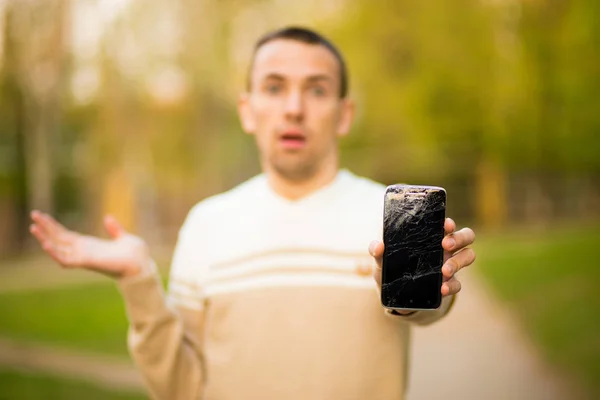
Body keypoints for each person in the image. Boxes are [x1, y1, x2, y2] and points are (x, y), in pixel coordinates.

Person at [29, 27, 476, 400]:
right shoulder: (206, 224)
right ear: (247, 110)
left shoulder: (387, 215)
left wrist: (410, 291)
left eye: (316, 90)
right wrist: (138, 281)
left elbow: (428, 312)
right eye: (274, 87)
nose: (294, 108)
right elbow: (179, 387)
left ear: (344, 114)